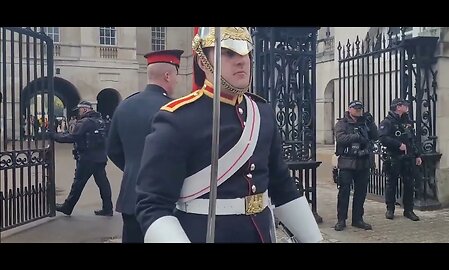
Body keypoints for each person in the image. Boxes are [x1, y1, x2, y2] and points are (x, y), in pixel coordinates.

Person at [135, 27, 323, 243]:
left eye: (246, 53)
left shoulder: (262, 113)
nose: (241, 60)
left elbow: (282, 185)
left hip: (261, 233)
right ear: (203, 60)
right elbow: (153, 204)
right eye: (229, 53)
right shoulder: (177, 119)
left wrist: (313, 239)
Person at [107, 49, 184, 243]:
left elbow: (113, 149)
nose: (177, 81)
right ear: (168, 75)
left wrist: (134, 168)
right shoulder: (174, 109)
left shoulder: (124, 105)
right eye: (176, 75)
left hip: (130, 197)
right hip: (164, 199)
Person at [52, 100, 113, 216]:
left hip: (86, 158)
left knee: (78, 184)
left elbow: (72, 137)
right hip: (100, 157)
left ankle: (67, 207)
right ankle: (108, 208)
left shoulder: (85, 122)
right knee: (103, 183)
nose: (79, 112)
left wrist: (54, 136)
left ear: (85, 109)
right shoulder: (100, 121)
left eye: (80, 110)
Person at [333, 100, 378, 231]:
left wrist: (372, 123)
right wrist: (357, 136)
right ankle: (341, 220)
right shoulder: (342, 123)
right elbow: (341, 138)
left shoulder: (365, 123)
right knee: (344, 192)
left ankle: (358, 219)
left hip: (363, 162)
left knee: (361, 192)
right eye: (356, 108)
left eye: (360, 109)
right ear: (349, 109)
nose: (358, 111)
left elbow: (375, 137)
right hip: (347, 161)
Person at [379, 98, 422, 221]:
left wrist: (417, 154)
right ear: (398, 107)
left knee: (409, 184)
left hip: (408, 158)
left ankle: (408, 210)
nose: (407, 107)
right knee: (391, 183)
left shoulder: (407, 121)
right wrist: (398, 145)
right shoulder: (387, 122)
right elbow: (382, 138)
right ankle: (390, 209)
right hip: (394, 157)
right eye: (404, 105)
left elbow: (412, 139)